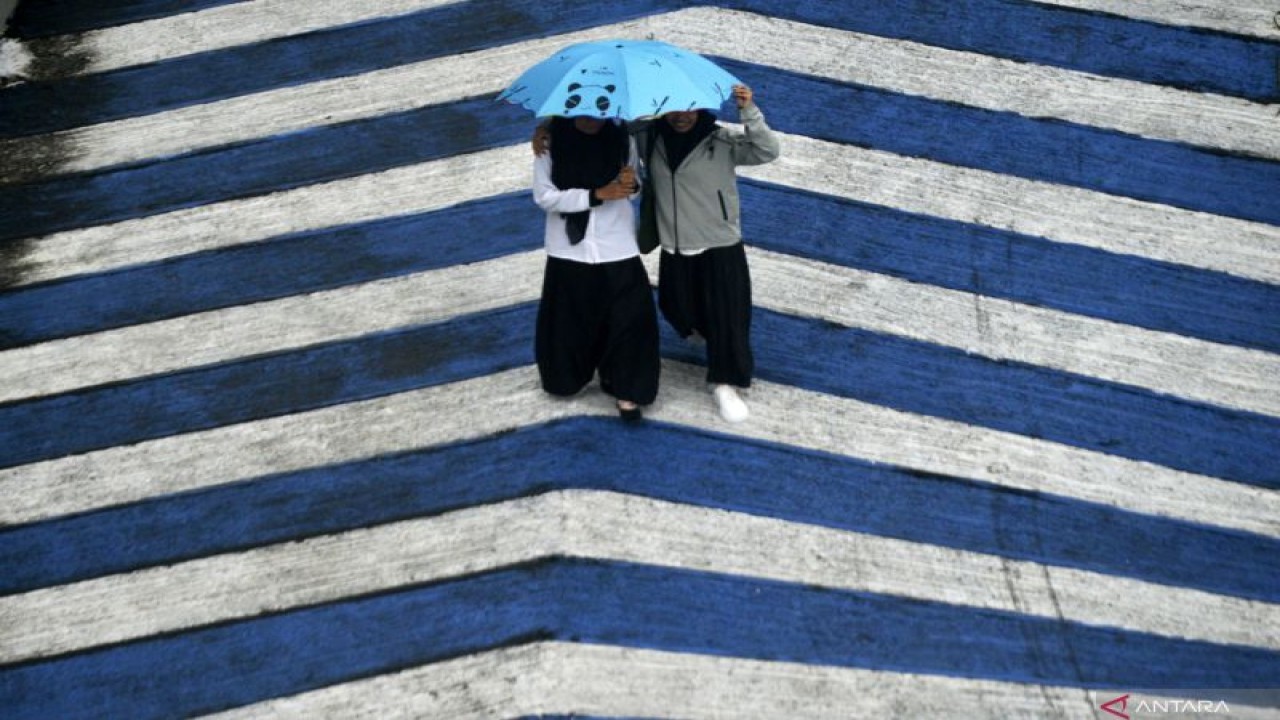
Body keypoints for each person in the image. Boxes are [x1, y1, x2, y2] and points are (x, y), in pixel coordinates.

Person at [639, 84, 780, 422]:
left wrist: (749, 111)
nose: (682, 116)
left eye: (690, 107)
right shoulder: (649, 139)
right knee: (675, 308)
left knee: (727, 318)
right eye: (674, 108)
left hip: (719, 245)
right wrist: (548, 131)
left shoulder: (721, 141)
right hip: (675, 244)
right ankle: (715, 340)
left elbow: (766, 150)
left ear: (701, 107)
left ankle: (724, 381)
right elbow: (614, 137)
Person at [531, 114, 660, 421]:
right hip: (569, 249)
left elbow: (635, 187)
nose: (592, 119)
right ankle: (568, 377)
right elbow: (544, 196)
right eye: (585, 111)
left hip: (617, 243)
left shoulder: (621, 140)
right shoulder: (549, 144)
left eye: (600, 111)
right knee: (570, 320)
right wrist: (594, 195)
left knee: (631, 320)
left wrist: (632, 185)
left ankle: (628, 389)